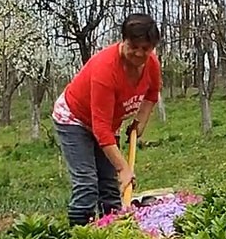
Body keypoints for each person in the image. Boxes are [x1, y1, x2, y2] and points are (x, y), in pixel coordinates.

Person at [52, 13, 162, 226]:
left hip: (108, 123)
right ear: (124, 41)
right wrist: (123, 168)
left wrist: (139, 124)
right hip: (74, 119)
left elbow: (152, 93)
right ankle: (78, 236)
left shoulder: (151, 64)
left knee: (110, 186)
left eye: (145, 49)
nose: (139, 53)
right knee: (86, 184)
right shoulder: (106, 69)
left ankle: (112, 231)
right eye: (134, 47)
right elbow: (101, 129)